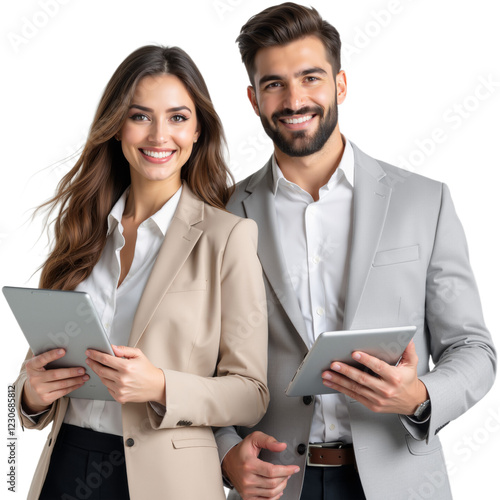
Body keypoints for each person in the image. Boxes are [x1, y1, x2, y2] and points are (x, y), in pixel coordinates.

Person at [214, 3, 496, 500]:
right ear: (253, 99)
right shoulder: (221, 214)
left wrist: (420, 396)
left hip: (401, 481)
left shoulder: (423, 201)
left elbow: (474, 351)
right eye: (274, 83)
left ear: (340, 85)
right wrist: (223, 454)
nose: (294, 98)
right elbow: (198, 367)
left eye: (311, 78)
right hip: (274, 485)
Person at [13, 45, 269, 500]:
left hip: (168, 480)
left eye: (177, 118)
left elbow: (251, 393)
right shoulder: (82, 228)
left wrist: (161, 385)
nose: (158, 136)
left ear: (197, 131)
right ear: (116, 127)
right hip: (67, 463)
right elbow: (40, 364)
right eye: (140, 116)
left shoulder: (227, 237)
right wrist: (31, 393)